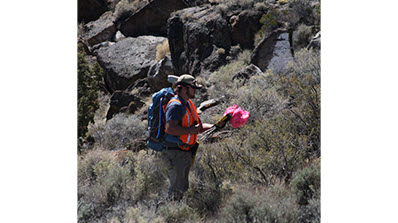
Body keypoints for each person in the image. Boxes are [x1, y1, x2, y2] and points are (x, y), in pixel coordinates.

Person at [162, 74, 213, 201]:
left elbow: (198, 127)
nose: (195, 90)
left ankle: (175, 210)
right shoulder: (176, 106)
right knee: (176, 189)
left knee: (182, 187)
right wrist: (191, 131)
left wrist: (215, 126)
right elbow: (170, 128)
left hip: (184, 152)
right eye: (193, 88)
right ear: (184, 89)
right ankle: (170, 214)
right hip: (175, 152)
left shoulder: (187, 104)